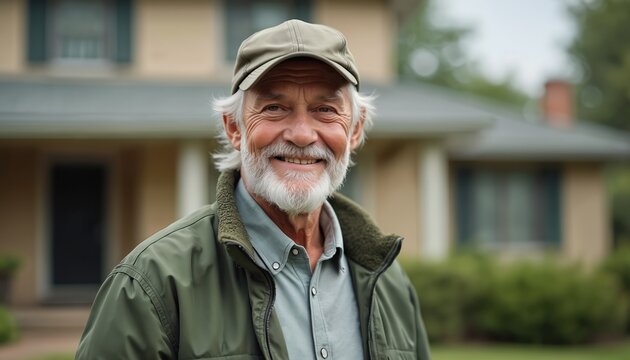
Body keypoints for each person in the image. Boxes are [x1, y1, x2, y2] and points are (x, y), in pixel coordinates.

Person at [76, 19, 431, 359]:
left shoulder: (388, 283)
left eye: (325, 110)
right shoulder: (151, 284)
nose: (302, 135)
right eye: (275, 108)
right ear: (234, 128)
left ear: (354, 131)